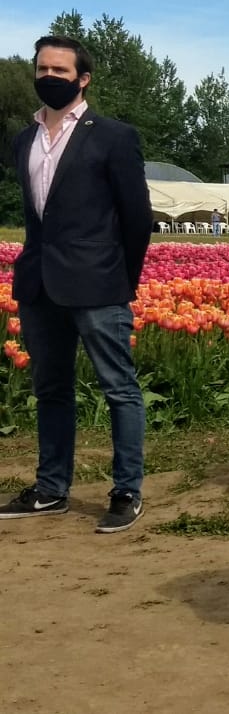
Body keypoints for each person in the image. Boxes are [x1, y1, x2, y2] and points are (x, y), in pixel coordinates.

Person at [0, 35, 152, 533]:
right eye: (43, 68)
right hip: (40, 283)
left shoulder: (112, 136)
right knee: (51, 390)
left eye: (61, 71)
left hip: (101, 283)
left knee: (119, 389)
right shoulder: (24, 140)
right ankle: (51, 489)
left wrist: (122, 276)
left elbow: (137, 216)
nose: (49, 77)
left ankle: (126, 490)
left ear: (82, 79)